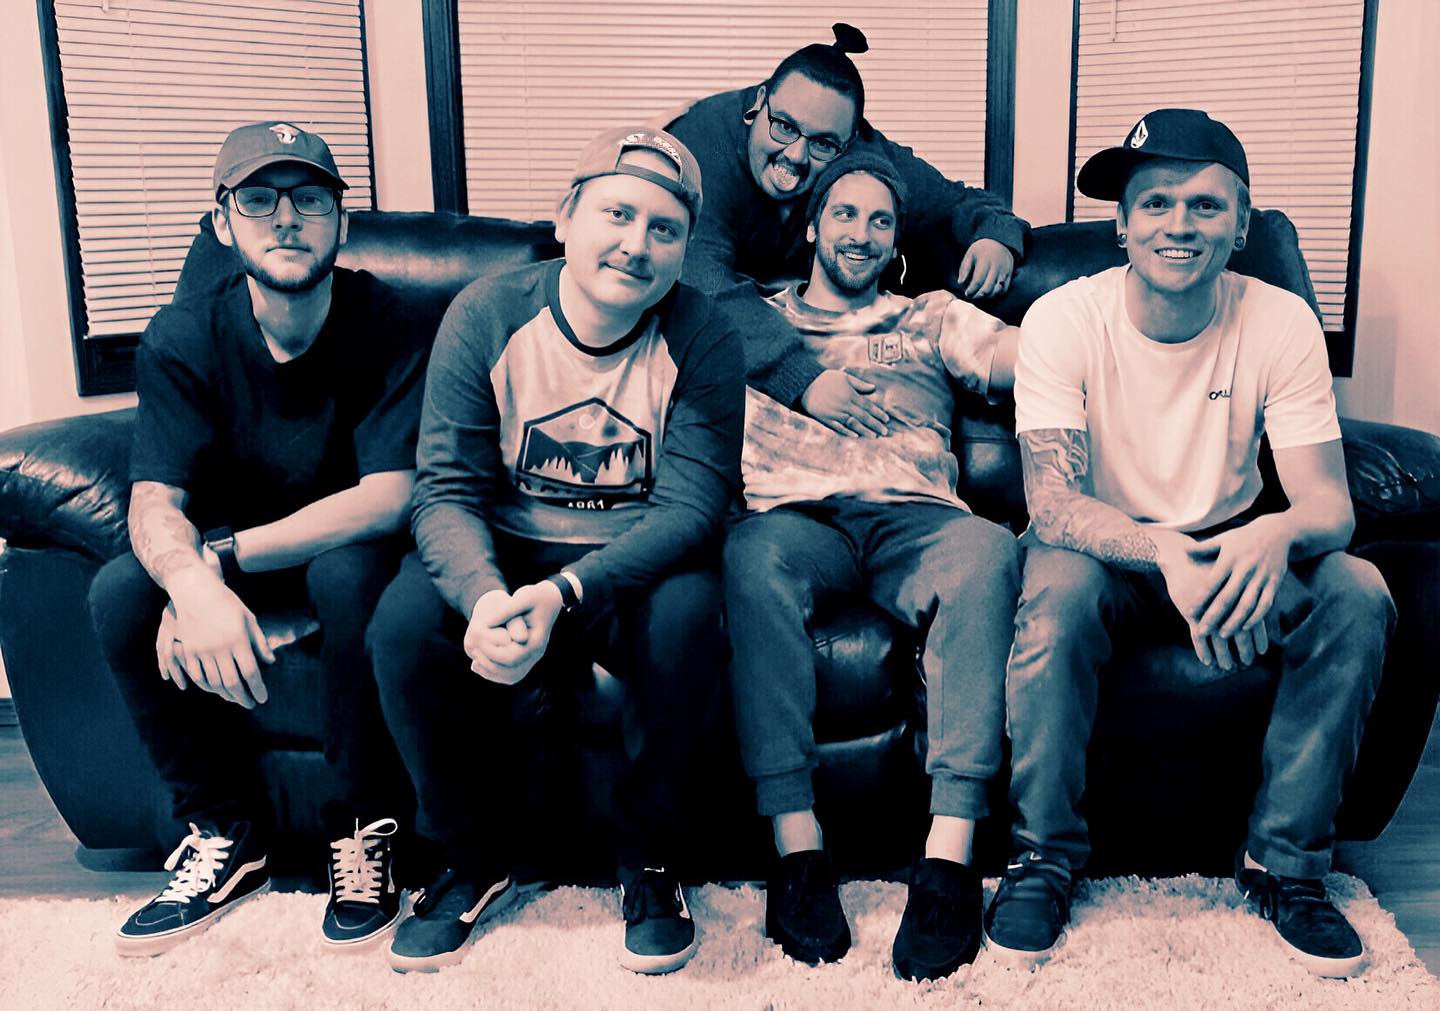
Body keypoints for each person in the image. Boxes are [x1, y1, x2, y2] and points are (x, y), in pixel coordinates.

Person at [985, 109, 1395, 978]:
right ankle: (1042, 856)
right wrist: (1165, 551)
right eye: (1156, 203)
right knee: (1055, 591)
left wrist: (1276, 531)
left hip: (1232, 543)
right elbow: (1051, 506)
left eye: (1206, 205)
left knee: (1357, 591)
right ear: (1122, 225)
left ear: (1241, 226)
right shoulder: (1063, 319)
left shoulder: (1280, 320)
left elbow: (1330, 506)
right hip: (1105, 549)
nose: (1179, 224)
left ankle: (1286, 865)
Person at [366, 126, 744, 976]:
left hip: (631, 564)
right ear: (566, 217)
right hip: (503, 553)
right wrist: (484, 599)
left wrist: (565, 593)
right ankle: (470, 856)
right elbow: (445, 489)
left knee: (688, 614)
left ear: (684, 251)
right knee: (401, 625)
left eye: (664, 229)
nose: (636, 244)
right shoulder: (486, 313)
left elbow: (693, 509)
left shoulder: (705, 335)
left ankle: (651, 860)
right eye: (617, 214)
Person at [89, 122, 428, 955]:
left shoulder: (391, 320)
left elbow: (389, 498)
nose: (286, 217)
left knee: (350, 577)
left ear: (342, 221)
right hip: (230, 555)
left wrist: (219, 557)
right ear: (221, 221)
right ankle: (223, 831)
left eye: (309, 198)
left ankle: (364, 828)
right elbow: (154, 500)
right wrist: (190, 586)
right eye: (259, 199)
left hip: (343, 548)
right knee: (120, 591)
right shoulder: (183, 335)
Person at [723, 153, 1021, 981]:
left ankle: (949, 857)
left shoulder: (930, 315)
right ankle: (797, 850)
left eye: (880, 220)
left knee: (989, 549)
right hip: (794, 518)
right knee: (748, 558)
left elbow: (1026, 356)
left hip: (914, 516)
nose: (861, 233)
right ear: (812, 226)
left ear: (896, 242)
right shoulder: (753, 322)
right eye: (845, 214)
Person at [665, 24, 1032, 442]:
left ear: (851, 141)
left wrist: (995, 236)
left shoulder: (862, 152)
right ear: (760, 101)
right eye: (783, 126)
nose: (795, 155)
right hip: (741, 346)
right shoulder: (700, 144)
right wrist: (802, 378)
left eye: (823, 144)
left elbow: (956, 201)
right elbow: (698, 279)